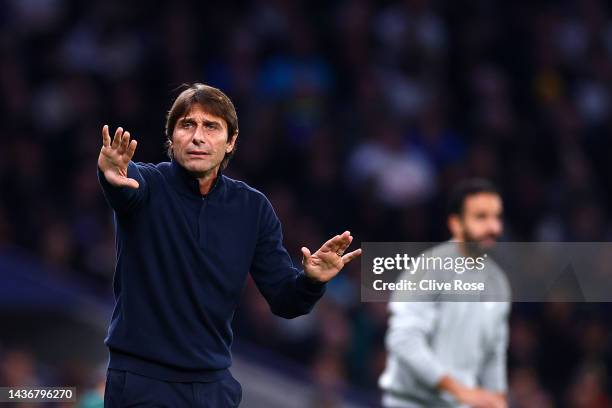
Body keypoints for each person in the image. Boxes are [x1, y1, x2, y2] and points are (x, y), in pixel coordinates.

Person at [97, 83, 361, 407]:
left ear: (231, 141)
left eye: (211, 126)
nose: (197, 137)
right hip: (142, 383)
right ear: (172, 138)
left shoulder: (252, 208)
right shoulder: (145, 182)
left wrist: (311, 282)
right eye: (187, 125)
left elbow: (284, 300)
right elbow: (125, 191)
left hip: (213, 386)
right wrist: (110, 177)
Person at [379, 179, 511, 408]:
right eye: (481, 217)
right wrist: (460, 391)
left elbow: (493, 355)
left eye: (496, 217)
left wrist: (497, 398)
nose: (493, 228)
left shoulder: (498, 283)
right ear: (456, 223)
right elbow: (404, 341)